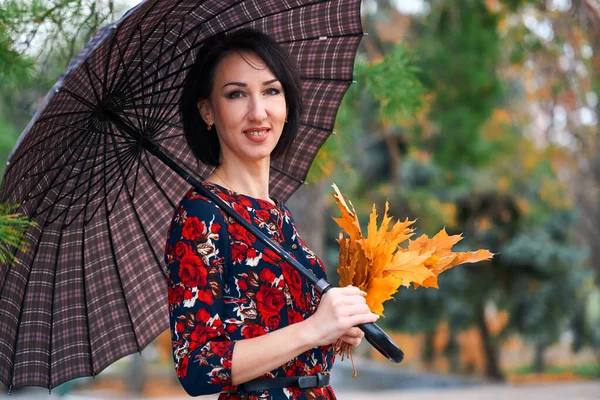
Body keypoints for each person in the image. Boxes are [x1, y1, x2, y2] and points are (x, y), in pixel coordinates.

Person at [165, 28, 379, 400]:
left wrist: (338, 328)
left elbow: (287, 336)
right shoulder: (202, 214)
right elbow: (196, 366)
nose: (258, 112)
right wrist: (315, 328)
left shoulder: (276, 215)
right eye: (236, 94)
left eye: (270, 91)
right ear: (207, 111)